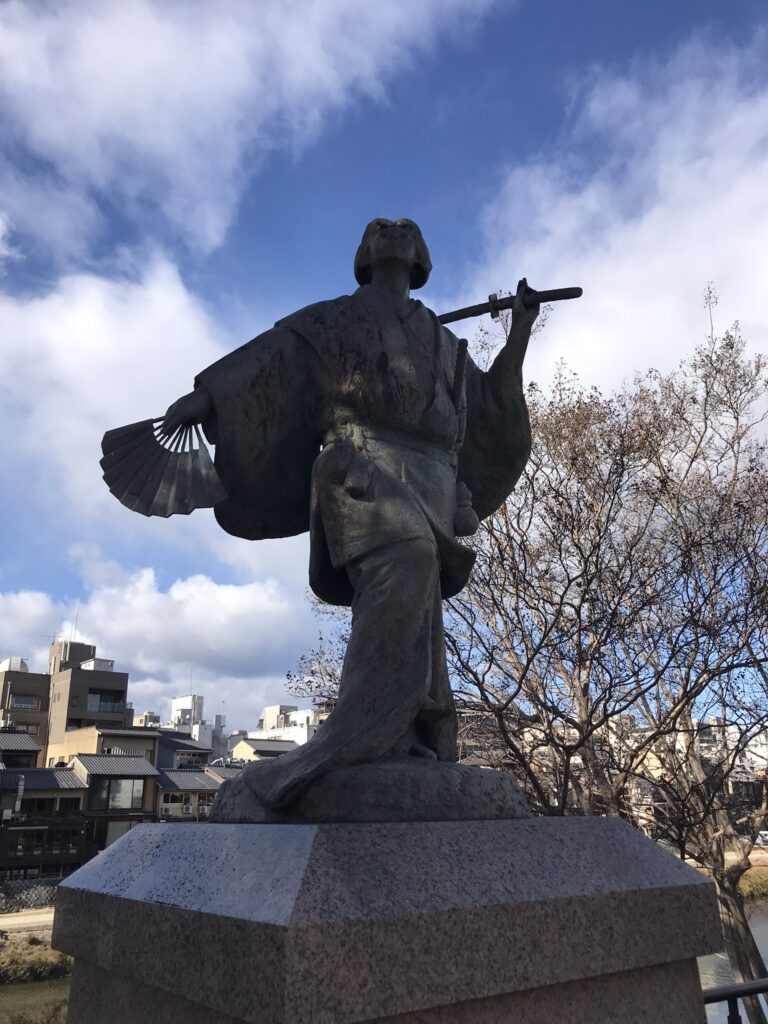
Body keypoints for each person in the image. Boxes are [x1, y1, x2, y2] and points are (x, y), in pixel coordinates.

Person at [162, 217, 538, 810]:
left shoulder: (443, 341)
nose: (392, 235)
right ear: (365, 252)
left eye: (404, 231)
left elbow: (490, 406)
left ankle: (411, 735)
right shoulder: (333, 320)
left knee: (418, 601)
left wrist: (519, 332)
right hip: (356, 471)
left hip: (432, 482)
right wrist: (206, 399)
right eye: (379, 232)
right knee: (408, 560)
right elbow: (271, 360)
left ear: (420, 255)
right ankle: (350, 737)